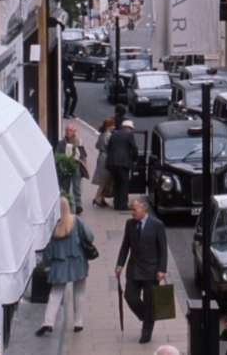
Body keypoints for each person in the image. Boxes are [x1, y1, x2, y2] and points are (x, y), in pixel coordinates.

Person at [35, 197, 94, 337]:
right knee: (79, 291)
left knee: (55, 293)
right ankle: (78, 322)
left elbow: (47, 249)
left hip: (59, 264)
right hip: (77, 261)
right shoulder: (76, 221)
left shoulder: (52, 226)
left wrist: (47, 264)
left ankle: (48, 322)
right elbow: (90, 236)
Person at [116, 199, 168, 344]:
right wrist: (120, 264)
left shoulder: (157, 225)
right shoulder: (130, 224)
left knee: (150, 301)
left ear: (144, 209)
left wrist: (162, 269)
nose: (132, 213)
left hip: (151, 271)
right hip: (134, 269)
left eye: (135, 210)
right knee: (130, 297)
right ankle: (148, 316)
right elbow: (125, 245)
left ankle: (146, 332)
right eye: (132, 210)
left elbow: (163, 249)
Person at [56, 124, 88, 214]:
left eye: (70, 130)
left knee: (76, 187)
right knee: (65, 187)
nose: (68, 132)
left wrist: (83, 164)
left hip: (76, 166)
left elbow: (83, 155)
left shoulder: (78, 141)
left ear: (74, 132)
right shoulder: (61, 142)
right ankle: (66, 206)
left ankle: (78, 206)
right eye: (67, 130)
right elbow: (57, 154)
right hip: (65, 167)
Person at [107, 119, 138, 211]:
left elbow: (109, 147)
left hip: (112, 162)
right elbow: (134, 148)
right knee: (124, 183)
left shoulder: (114, 133)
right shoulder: (129, 134)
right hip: (123, 163)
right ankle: (123, 205)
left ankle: (116, 204)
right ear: (129, 127)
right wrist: (134, 159)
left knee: (116, 183)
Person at [92, 118, 116, 208]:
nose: (114, 127)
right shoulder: (108, 135)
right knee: (104, 180)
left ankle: (101, 198)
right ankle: (97, 198)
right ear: (109, 126)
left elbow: (97, 145)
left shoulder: (102, 134)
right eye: (113, 125)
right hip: (106, 158)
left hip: (101, 156)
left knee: (104, 179)